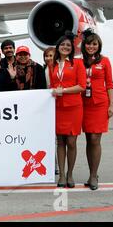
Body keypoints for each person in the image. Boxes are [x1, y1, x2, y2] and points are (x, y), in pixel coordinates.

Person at [51, 33, 86, 188]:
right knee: (60, 142)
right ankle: (62, 176)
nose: (65, 47)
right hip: (58, 107)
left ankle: (70, 174)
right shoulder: (53, 64)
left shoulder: (77, 63)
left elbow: (82, 86)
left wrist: (63, 90)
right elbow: (52, 86)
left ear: (72, 49)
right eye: (62, 45)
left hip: (73, 107)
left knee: (71, 142)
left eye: (68, 46)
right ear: (58, 47)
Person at [81, 30, 113, 190]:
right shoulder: (79, 61)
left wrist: (112, 104)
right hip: (83, 104)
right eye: (88, 43)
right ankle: (91, 173)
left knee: (95, 139)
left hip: (100, 104)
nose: (91, 46)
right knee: (89, 139)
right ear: (84, 45)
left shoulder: (105, 61)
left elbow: (109, 84)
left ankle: (94, 175)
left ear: (98, 45)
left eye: (94, 44)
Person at [42, 46, 58, 175]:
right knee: (49, 137)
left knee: (58, 139)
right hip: (48, 107)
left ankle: (56, 165)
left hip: (58, 105)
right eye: (46, 56)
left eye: (50, 56)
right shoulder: (44, 69)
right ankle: (52, 164)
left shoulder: (58, 69)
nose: (48, 58)